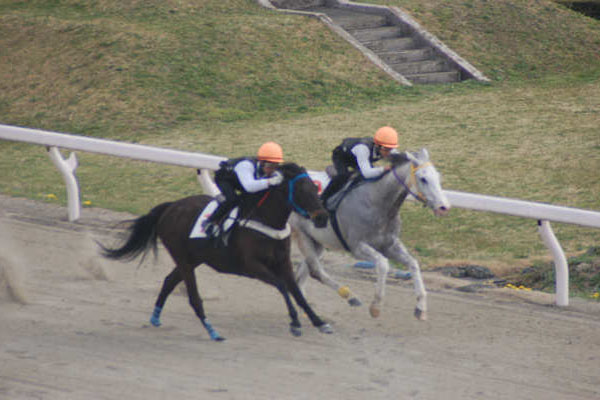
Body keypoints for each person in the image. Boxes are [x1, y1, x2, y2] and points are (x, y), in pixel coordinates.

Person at [202, 141, 285, 236]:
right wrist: (269, 182)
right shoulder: (246, 165)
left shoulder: (266, 169)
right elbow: (249, 187)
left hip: (240, 181)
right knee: (232, 199)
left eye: (276, 166)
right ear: (262, 162)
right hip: (225, 179)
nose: (272, 170)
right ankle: (211, 222)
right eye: (270, 166)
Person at [320, 126, 399, 205]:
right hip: (341, 157)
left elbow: (401, 158)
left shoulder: (387, 148)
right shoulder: (363, 149)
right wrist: (383, 169)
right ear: (377, 146)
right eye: (386, 149)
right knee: (342, 178)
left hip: (358, 159)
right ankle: (323, 199)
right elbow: (367, 173)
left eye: (391, 149)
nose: (389, 152)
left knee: (371, 178)